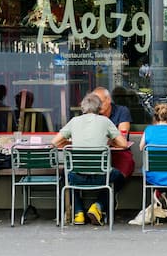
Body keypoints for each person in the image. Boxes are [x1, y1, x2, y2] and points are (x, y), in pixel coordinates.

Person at [52, 93, 128, 226]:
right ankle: (97, 206)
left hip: (77, 176)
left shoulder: (74, 121)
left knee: (66, 174)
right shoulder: (105, 121)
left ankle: (78, 213)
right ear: (99, 108)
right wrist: (109, 142)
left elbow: (54, 142)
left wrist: (71, 143)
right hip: (101, 176)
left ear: (82, 108)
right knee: (119, 176)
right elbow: (123, 144)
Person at [92, 86, 135, 181]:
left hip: (119, 153)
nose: (98, 106)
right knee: (69, 174)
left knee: (122, 172)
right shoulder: (91, 113)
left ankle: (107, 194)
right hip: (97, 154)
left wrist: (101, 138)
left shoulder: (122, 111)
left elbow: (122, 137)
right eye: (95, 103)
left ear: (109, 100)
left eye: (101, 103)